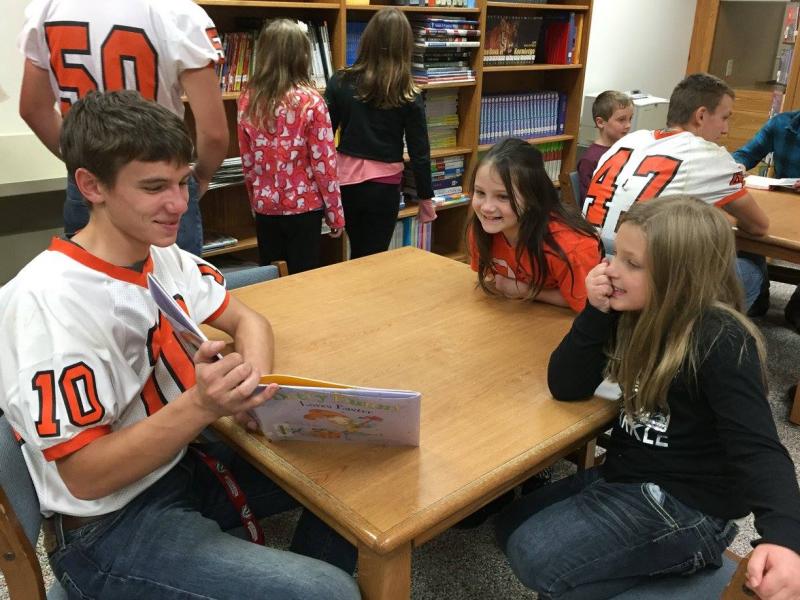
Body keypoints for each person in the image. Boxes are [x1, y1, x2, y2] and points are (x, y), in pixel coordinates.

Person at [0, 91, 359, 600]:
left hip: (180, 467)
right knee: (330, 593)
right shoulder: (50, 305)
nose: (179, 204)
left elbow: (248, 319)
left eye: (183, 181)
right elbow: (84, 477)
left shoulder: (156, 250)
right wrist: (203, 405)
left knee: (354, 471)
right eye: (153, 187)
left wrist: (249, 388)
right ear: (91, 186)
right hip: (109, 528)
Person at [496, 196, 800, 600]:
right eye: (614, 255)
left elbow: (759, 448)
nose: (610, 270)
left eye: (631, 264)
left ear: (681, 278)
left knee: (534, 553)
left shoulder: (720, 339)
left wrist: (785, 537)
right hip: (629, 474)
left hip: (688, 505)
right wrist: (595, 311)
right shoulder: (631, 310)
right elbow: (565, 386)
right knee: (509, 527)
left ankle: (699, 552)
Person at [17, 0, 229, 256]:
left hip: (91, 176)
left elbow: (33, 109)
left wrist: (84, 162)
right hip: (158, 174)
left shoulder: (48, 8)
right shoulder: (180, 12)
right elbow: (214, 133)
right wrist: (198, 178)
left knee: (88, 282)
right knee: (175, 285)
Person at [582, 73, 769, 311]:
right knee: (752, 268)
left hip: (592, 265)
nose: (725, 129)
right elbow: (758, 226)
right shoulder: (709, 155)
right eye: (724, 118)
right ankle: (700, 337)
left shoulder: (629, 140)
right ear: (701, 116)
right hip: (642, 278)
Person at [324, 7, 436, 259]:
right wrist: (426, 198)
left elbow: (323, 139)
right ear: (405, 46)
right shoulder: (408, 92)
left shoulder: (339, 81)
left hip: (346, 182)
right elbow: (420, 152)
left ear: (368, 39)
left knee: (357, 252)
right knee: (375, 256)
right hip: (384, 187)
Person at [238, 19, 344, 274]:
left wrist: (256, 202)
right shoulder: (312, 102)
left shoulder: (248, 99)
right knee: (303, 278)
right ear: (302, 55)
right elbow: (325, 165)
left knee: (272, 275)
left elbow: (247, 160)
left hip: (266, 208)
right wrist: (335, 214)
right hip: (304, 208)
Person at [469, 138, 602, 313]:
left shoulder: (571, 247)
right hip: (518, 318)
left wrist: (526, 290)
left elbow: (588, 305)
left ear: (532, 197)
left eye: (503, 197)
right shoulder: (483, 229)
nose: (486, 207)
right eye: (480, 193)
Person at [732, 110, 800, 331]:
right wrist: (737, 167)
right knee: (746, 226)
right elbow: (745, 154)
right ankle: (758, 293)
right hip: (782, 205)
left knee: (796, 316)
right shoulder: (782, 124)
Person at [576, 90, 633, 201]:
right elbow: (588, 200)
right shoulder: (590, 159)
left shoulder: (626, 150)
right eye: (621, 120)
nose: (628, 125)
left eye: (630, 119)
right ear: (601, 122)